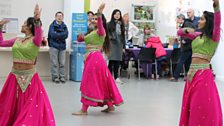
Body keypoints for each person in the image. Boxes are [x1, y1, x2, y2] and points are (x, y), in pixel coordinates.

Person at [0, 4, 55, 126]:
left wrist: (37, 20)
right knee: (11, 103)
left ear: (30, 27)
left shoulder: (35, 40)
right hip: (14, 76)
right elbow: (1, 43)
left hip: (29, 78)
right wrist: (0, 27)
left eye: (24, 24)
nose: (22, 25)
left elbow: (39, 33)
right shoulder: (17, 40)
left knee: (29, 105)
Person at [72, 3, 124, 115]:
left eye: (96, 19)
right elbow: (82, 40)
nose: (94, 20)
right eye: (93, 18)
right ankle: (110, 106)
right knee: (101, 81)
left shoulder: (101, 31)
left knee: (88, 82)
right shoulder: (91, 32)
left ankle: (84, 109)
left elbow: (100, 25)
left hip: (95, 58)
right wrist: (81, 37)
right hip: (91, 58)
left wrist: (99, 13)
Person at [178, 0, 222, 125]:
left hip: (203, 74)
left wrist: (216, 6)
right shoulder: (197, 35)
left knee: (200, 105)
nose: (199, 21)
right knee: (191, 105)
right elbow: (180, 32)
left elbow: (218, 22)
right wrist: (189, 31)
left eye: (202, 19)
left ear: (208, 22)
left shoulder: (214, 37)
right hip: (191, 75)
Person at [48, 11, 68, 83]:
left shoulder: (64, 26)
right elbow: (52, 34)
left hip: (62, 47)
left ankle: (62, 77)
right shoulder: (52, 26)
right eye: (58, 16)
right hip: (54, 46)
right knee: (54, 63)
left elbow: (66, 35)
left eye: (61, 16)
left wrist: (57, 34)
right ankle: (55, 77)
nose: (59, 17)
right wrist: (61, 35)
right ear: (55, 17)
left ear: (63, 17)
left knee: (62, 63)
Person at [107, 9, 125, 84]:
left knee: (117, 62)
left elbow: (123, 36)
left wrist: (124, 46)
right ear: (113, 15)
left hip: (119, 45)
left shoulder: (121, 24)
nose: (117, 15)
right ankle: (109, 77)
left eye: (119, 14)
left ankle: (116, 77)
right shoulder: (109, 24)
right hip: (112, 44)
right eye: (115, 14)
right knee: (111, 61)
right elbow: (107, 35)